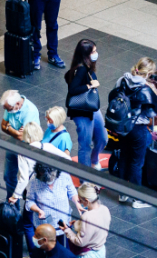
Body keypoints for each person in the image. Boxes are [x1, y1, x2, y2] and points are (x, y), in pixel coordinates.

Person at [115, 57, 157, 208]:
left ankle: (122, 192)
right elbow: (152, 113)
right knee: (137, 162)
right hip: (138, 128)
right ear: (149, 74)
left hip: (122, 125)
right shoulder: (147, 89)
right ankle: (137, 199)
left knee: (124, 156)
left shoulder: (123, 79)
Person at [64, 39, 107, 169]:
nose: (96, 53)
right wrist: (89, 85)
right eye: (93, 51)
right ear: (86, 54)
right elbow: (73, 89)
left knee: (102, 137)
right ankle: (85, 179)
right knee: (85, 144)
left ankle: (94, 160)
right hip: (82, 111)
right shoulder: (81, 69)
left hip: (91, 107)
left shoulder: (86, 66)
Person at [25, 163, 81, 258]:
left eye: (51, 179)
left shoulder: (64, 176)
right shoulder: (34, 180)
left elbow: (72, 191)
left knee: (63, 252)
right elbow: (29, 201)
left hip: (62, 226)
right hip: (44, 228)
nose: (49, 182)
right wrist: (38, 210)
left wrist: (77, 203)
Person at [9, 122, 69, 204]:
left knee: (30, 211)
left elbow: (24, 179)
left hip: (32, 188)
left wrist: (15, 196)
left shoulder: (23, 154)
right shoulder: (48, 146)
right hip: (48, 185)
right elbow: (67, 159)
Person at [1, 89, 41, 198]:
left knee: (26, 179)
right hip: (13, 144)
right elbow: (3, 126)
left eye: (8, 109)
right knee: (8, 176)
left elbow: (22, 136)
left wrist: (9, 127)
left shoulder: (30, 111)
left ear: (18, 104)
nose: (7, 111)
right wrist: (12, 129)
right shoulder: (9, 106)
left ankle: (25, 204)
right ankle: (12, 204)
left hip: (27, 148)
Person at [63, 183, 110, 258]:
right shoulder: (105, 209)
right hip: (101, 250)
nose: (80, 203)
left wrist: (67, 230)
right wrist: (78, 224)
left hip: (89, 255)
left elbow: (80, 242)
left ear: (87, 201)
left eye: (80, 200)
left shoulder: (87, 217)